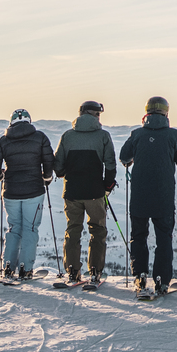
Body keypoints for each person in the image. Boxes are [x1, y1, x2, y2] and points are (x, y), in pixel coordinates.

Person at [119, 96, 177, 297]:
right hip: (163, 197)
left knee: (138, 237)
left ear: (147, 113)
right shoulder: (173, 136)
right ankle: (161, 280)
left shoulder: (137, 134)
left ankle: (140, 276)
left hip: (139, 197)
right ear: (166, 113)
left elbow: (124, 157)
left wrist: (132, 160)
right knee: (164, 238)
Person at [54, 100, 117, 286]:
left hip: (72, 191)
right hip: (95, 192)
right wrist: (107, 186)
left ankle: (73, 271)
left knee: (73, 229)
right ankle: (95, 272)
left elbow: (58, 166)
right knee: (97, 231)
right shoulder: (103, 136)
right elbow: (110, 164)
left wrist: (64, 173)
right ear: (96, 115)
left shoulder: (67, 136)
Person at [0, 108, 55, 280]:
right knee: (30, 228)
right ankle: (25, 268)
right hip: (34, 190)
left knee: (14, 228)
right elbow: (48, 161)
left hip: (10, 191)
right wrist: (46, 177)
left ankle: (8, 266)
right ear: (29, 121)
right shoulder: (40, 137)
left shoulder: (3, 140)